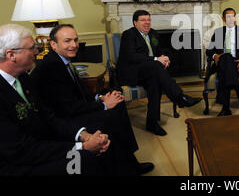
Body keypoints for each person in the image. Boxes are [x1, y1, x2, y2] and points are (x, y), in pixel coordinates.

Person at [0, 24, 130, 175]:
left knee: (97, 147)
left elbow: (48, 117)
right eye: (32, 48)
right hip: (17, 162)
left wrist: (83, 135)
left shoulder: (23, 77)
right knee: (86, 157)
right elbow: (20, 150)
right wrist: (82, 147)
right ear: (11, 55)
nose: (37, 51)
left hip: (41, 143)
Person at [30, 24, 154, 175]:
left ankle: (128, 160)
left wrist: (100, 97)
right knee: (111, 115)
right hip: (64, 120)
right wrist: (102, 105)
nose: (74, 45)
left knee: (117, 103)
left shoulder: (61, 61)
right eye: (67, 41)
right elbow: (68, 108)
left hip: (71, 111)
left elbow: (77, 94)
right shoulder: (50, 67)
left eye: (75, 40)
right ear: (54, 44)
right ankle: (126, 164)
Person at [117, 10, 202, 136]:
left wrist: (164, 58)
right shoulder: (128, 35)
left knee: (155, 83)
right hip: (132, 73)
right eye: (143, 20)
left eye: (148, 20)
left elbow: (159, 50)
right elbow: (131, 57)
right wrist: (157, 60)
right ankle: (180, 98)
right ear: (135, 22)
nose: (147, 23)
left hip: (150, 71)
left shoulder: (153, 33)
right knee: (156, 67)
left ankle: (152, 123)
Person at [206, 8, 239, 116]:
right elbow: (209, 50)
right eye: (228, 16)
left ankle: (226, 108)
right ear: (223, 18)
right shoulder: (218, 32)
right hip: (223, 63)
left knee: (226, 63)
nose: (231, 19)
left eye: (232, 16)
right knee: (226, 57)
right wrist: (215, 55)